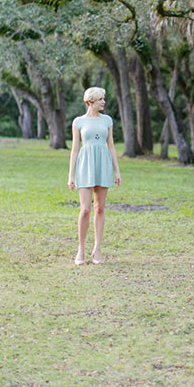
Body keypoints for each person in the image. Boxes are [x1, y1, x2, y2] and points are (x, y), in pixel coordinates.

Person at [67, 87, 122, 265]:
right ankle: (81, 249)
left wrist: (117, 171)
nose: (104, 102)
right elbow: (75, 149)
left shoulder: (107, 120)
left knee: (100, 208)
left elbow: (111, 146)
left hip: (103, 164)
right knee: (85, 209)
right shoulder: (78, 122)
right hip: (85, 165)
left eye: (103, 98)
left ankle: (97, 248)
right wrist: (71, 175)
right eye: (100, 99)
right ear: (90, 102)